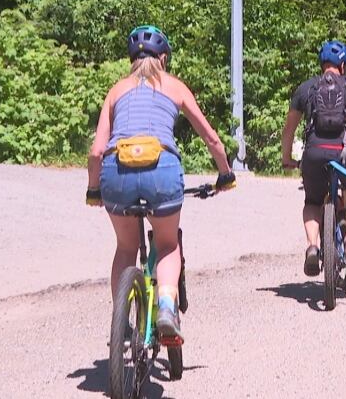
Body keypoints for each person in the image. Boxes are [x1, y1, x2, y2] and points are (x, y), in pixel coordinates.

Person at [86, 25, 236, 339]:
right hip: (162, 168)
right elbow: (211, 139)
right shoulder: (175, 87)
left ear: (131, 59)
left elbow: (97, 151)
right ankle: (167, 306)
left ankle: (122, 318)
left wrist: (94, 189)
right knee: (168, 245)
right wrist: (225, 175)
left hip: (117, 169)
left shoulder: (116, 90)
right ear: (163, 58)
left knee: (126, 247)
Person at [281, 40, 346, 276]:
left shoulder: (305, 89)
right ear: (343, 65)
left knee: (312, 201)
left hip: (314, 154)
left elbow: (289, 129)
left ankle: (313, 247)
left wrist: (287, 158)